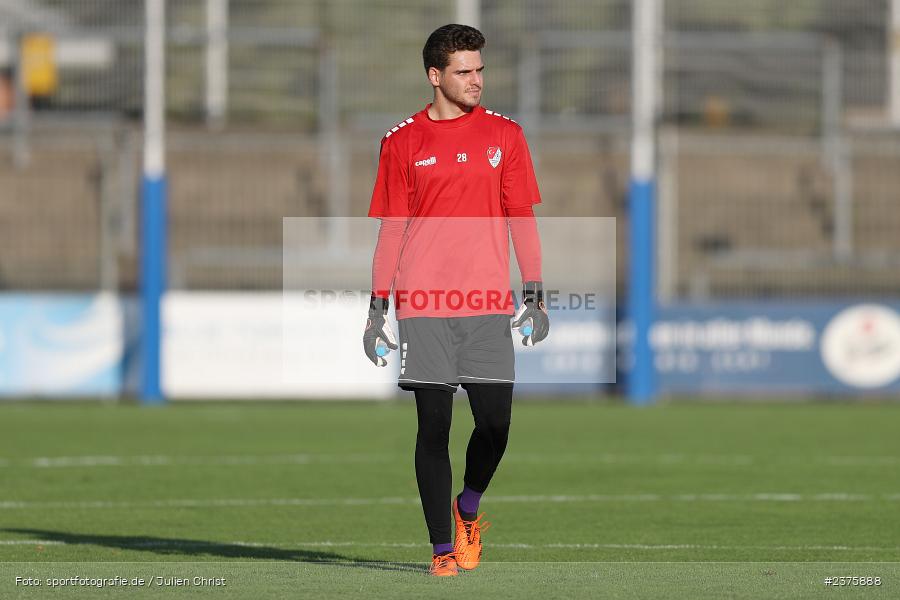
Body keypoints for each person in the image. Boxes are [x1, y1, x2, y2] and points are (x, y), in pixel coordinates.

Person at [363, 23, 549, 577]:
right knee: (434, 427)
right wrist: (376, 310)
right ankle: (443, 549)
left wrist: (535, 294)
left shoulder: (506, 136)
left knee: (496, 427)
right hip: (422, 304)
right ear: (435, 76)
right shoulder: (401, 142)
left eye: (480, 70)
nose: (477, 81)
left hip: (488, 303)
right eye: (465, 72)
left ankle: (468, 506)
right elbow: (391, 231)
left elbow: (522, 218)